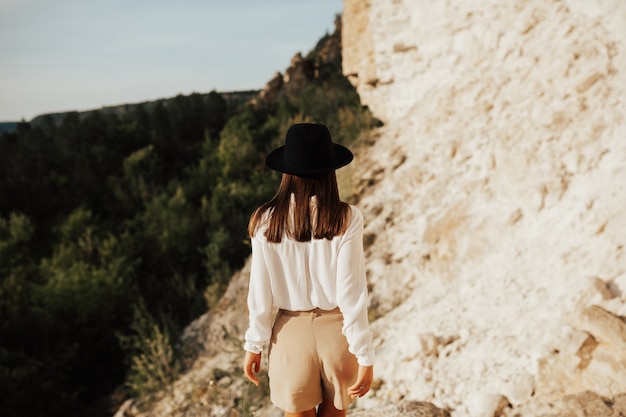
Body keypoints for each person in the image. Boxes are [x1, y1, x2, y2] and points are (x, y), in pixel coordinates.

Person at [243, 123, 375, 417]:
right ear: (330, 170)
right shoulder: (347, 217)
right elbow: (351, 292)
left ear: (287, 171)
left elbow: (260, 293)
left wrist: (254, 343)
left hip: (289, 334)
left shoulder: (264, 220)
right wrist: (364, 353)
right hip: (337, 333)